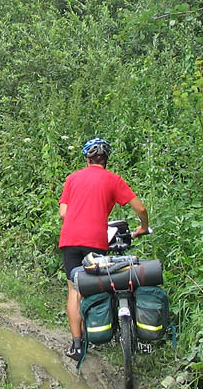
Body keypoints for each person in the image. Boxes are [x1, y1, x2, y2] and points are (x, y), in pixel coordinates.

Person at [58, 137, 149, 361]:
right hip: (95, 241)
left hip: (70, 240)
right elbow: (140, 207)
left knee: (74, 290)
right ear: (106, 159)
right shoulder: (113, 180)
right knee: (99, 284)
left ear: (87, 158)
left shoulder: (72, 179)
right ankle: (104, 328)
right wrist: (143, 227)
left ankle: (77, 345)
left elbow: (63, 213)